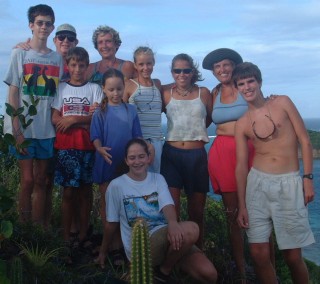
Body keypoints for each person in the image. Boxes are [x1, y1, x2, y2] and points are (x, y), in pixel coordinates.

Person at [234, 62, 315, 284]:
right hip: (257, 185)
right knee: (259, 253)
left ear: (259, 82)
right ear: (238, 88)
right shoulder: (241, 124)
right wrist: (242, 205)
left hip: (288, 183)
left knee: (292, 256)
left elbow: (304, 140)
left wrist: (307, 178)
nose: (247, 87)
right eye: (241, 84)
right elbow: (241, 166)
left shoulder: (283, 102)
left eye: (250, 81)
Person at [96, 138, 217, 283]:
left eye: (141, 156)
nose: (137, 161)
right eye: (132, 158)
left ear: (148, 158)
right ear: (126, 160)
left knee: (209, 274)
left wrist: (172, 223)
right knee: (192, 229)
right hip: (142, 246)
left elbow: (167, 205)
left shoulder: (158, 179)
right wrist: (103, 252)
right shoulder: (116, 186)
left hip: (170, 238)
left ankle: (170, 262)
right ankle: (164, 271)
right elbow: (111, 224)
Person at [14, 23, 79, 229]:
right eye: (61, 37)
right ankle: (32, 226)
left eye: (70, 38)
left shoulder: (78, 64)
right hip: (42, 128)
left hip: (64, 134)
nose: (65, 41)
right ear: (54, 39)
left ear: (76, 42)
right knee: (35, 179)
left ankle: (46, 223)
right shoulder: (45, 58)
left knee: (49, 181)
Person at [3, 4, 64, 225]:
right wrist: (16, 129)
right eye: (40, 23)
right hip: (24, 128)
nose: (44, 27)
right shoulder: (20, 53)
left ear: (52, 27)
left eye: (48, 23)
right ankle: (22, 226)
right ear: (31, 25)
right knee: (27, 180)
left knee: (41, 180)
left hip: (46, 129)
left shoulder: (57, 59)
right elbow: (13, 92)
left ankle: (38, 231)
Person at [202, 48, 255, 279]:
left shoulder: (246, 87)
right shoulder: (213, 93)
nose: (222, 70)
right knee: (232, 215)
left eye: (226, 65)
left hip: (252, 152)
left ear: (234, 66)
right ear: (213, 72)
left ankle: (268, 269)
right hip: (223, 154)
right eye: (217, 67)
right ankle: (241, 271)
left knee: (260, 212)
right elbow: (200, 119)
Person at [52, 47, 103, 248]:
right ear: (68, 66)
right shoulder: (62, 88)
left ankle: (83, 234)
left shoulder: (94, 89)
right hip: (66, 147)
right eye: (73, 65)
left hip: (88, 147)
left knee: (85, 192)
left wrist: (73, 119)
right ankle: (66, 235)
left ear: (87, 66)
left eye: (82, 65)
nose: (77, 69)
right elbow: (55, 118)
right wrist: (82, 122)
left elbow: (97, 117)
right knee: (68, 192)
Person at [161, 53, 212, 249]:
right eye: (177, 70)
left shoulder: (204, 93)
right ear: (172, 72)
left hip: (196, 156)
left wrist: (195, 133)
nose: (182, 74)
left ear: (193, 72)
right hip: (171, 155)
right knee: (172, 211)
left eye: (186, 70)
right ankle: (176, 253)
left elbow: (209, 119)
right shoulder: (165, 92)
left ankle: (197, 251)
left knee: (197, 211)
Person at [90, 68, 142, 261]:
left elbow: (137, 135)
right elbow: (95, 136)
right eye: (111, 89)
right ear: (104, 89)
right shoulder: (100, 112)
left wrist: (144, 152)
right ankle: (109, 243)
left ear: (124, 88)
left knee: (125, 203)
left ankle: (121, 244)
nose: (116, 93)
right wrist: (99, 149)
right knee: (107, 204)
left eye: (119, 89)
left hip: (126, 164)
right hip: (107, 161)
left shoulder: (131, 110)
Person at [124, 46, 163, 173]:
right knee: (138, 178)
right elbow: (119, 112)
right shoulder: (129, 85)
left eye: (149, 63)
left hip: (157, 141)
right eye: (141, 64)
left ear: (154, 63)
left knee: (155, 180)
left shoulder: (157, 84)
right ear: (135, 65)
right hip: (137, 141)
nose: (145, 68)